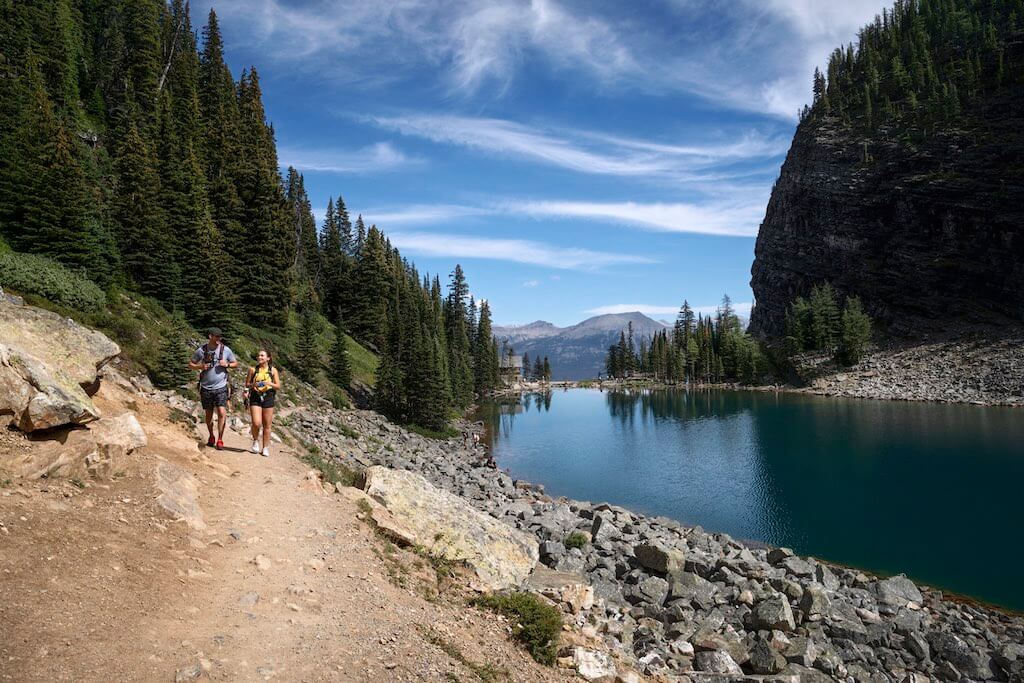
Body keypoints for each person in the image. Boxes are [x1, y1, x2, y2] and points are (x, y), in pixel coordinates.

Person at [188, 327, 238, 450]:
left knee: (221, 412)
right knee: (209, 414)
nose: (218, 339)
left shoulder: (226, 350)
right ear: (210, 336)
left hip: (221, 386)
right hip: (206, 387)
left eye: (220, 337)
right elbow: (190, 364)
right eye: (216, 336)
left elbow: (235, 363)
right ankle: (211, 436)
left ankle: (220, 439)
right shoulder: (201, 350)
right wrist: (200, 366)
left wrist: (227, 364)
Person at [244, 349, 281, 457]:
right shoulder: (252, 369)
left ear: (268, 358)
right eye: (258, 355)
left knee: (267, 425)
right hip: (255, 396)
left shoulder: (273, 371)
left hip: (268, 396)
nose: (259, 357)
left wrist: (268, 383)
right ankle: (255, 440)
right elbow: (247, 384)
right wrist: (253, 385)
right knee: (256, 423)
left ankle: (265, 447)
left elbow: (278, 386)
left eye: (262, 356)